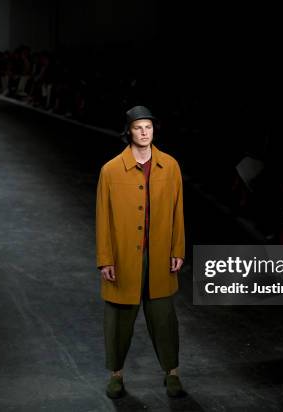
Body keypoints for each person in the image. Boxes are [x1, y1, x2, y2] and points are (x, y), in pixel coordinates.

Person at [95, 106, 186, 399]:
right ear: (129, 132)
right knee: (119, 318)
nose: (144, 133)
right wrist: (105, 258)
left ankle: (172, 372)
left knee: (164, 318)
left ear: (154, 130)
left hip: (159, 254)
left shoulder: (170, 166)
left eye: (148, 127)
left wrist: (177, 249)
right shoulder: (110, 170)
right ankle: (116, 375)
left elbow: (177, 212)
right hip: (123, 256)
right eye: (138, 128)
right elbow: (102, 218)